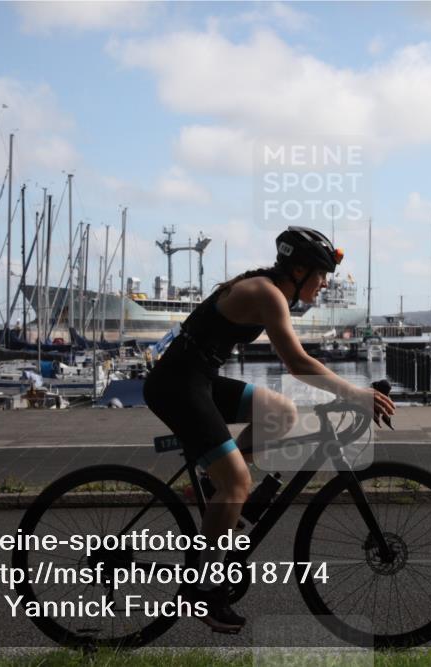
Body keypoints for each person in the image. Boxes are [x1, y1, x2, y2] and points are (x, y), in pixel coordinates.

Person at [142, 226, 396, 633]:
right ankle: (203, 590)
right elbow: (296, 362)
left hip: (198, 379)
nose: (325, 283)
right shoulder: (266, 293)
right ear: (298, 271)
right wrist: (354, 394)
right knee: (237, 484)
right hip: (176, 386)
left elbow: (296, 364)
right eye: (321, 274)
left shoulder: (268, 288)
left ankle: (215, 487)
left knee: (281, 412)